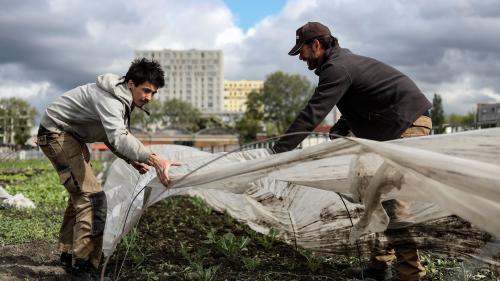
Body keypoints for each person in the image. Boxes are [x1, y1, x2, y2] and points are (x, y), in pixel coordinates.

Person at [271, 22, 432, 281]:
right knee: (377, 197)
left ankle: (410, 274)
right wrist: (338, 132)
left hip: (406, 125)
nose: (300, 57)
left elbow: (312, 112)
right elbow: (361, 100)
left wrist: (278, 151)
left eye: (302, 50)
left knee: (394, 201)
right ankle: (379, 266)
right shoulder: (341, 65)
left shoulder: (337, 68)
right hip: (397, 125)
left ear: (317, 45)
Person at [37, 58, 179, 281]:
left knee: (80, 194)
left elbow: (109, 135)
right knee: (93, 198)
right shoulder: (112, 100)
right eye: (146, 90)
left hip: (71, 136)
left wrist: (131, 160)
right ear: (131, 84)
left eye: (153, 93)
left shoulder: (122, 98)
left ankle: (68, 254)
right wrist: (154, 159)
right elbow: (118, 136)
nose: (149, 97)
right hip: (57, 134)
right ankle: (82, 266)